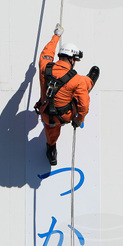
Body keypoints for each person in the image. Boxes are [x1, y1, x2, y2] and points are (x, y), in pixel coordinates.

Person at [36, 23, 100, 166]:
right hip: (65, 115)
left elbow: (46, 53)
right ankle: (91, 81)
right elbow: (84, 106)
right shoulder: (76, 80)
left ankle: (51, 150)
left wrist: (56, 36)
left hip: (46, 114)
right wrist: (79, 120)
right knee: (84, 84)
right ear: (72, 59)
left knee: (51, 130)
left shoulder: (44, 67)